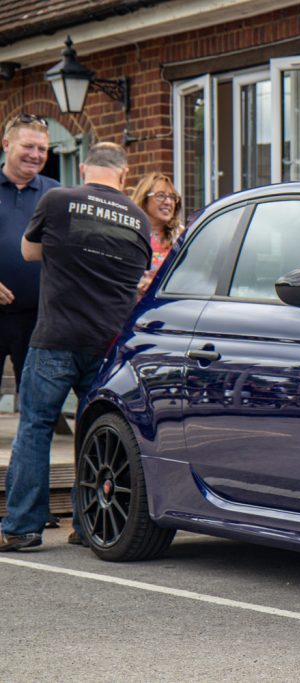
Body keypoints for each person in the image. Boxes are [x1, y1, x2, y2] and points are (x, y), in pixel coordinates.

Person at [0, 142, 151, 551]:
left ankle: (22, 528)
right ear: (124, 173)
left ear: (83, 167)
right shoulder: (139, 219)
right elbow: (136, 274)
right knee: (94, 435)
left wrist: (68, 253)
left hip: (56, 337)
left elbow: (29, 252)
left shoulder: (58, 199)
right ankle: (88, 528)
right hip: (106, 345)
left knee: (35, 428)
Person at [0, 114, 60, 392]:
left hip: (38, 320)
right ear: (6, 144)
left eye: (42, 149)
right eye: (28, 146)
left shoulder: (57, 194)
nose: (35, 155)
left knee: (36, 404)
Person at [131, 172, 183, 295]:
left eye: (172, 197)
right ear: (144, 199)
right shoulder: (130, 233)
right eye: (160, 196)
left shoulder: (182, 236)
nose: (168, 202)